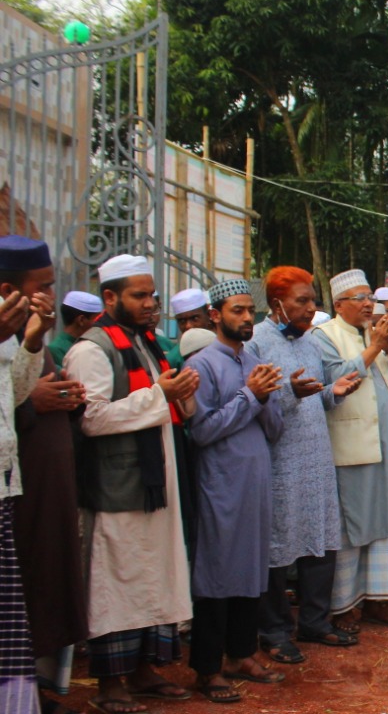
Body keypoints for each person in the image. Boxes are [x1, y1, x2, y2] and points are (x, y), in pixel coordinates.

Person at [65, 254, 200, 712]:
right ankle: (109, 684)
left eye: (152, 295)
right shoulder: (92, 349)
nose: (150, 304)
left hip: (155, 482)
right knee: (116, 581)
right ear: (110, 298)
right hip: (117, 489)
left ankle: (145, 670)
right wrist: (160, 394)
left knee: (153, 577)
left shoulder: (146, 343)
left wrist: (180, 394)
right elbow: (91, 418)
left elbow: (163, 404)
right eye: (139, 296)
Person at [247, 267, 359, 664]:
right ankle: (274, 631)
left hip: (316, 455)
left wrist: (334, 392)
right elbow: (253, 406)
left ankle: (315, 621)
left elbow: (315, 397)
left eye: (313, 300)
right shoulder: (257, 344)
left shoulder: (311, 342)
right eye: (302, 301)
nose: (311, 308)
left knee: (320, 536)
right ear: (276, 303)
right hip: (279, 460)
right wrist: (290, 393)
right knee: (279, 543)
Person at [185, 278, 286, 703]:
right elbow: (202, 430)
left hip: (255, 485)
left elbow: (275, 429)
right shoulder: (201, 365)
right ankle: (208, 669)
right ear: (215, 315)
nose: (247, 318)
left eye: (250, 311)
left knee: (250, 569)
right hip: (220, 487)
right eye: (238, 311)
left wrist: (264, 398)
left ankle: (241, 654)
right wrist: (250, 395)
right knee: (217, 573)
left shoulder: (253, 359)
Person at [312, 269, 388, 631]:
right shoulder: (323, 336)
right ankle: (343, 606)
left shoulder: (378, 335)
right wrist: (374, 347)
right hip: (350, 445)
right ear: (339, 305)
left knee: (383, 523)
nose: (369, 304)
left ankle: (378, 600)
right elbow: (338, 376)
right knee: (350, 526)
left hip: (384, 445)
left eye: (370, 297)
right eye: (360, 298)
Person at [0, 235, 66, 713]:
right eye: (41, 288)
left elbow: (16, 395)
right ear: (9, 288)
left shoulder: (17, 330)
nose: (49, 296)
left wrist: (32, 339)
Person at [49, 290, 102, 367]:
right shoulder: (56, 350)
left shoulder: (93, 344)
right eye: (97, 320)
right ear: (81, 320)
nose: (100, 324)